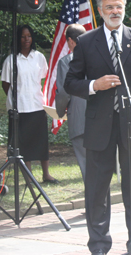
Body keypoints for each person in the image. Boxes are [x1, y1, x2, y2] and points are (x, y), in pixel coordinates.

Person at [64, 0, 131, 255]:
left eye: (119, 7)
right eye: (109, 7)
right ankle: (99, 246)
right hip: (99, 125)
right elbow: (70, 82)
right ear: (100, 11)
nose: (115, 12)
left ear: (124, 8)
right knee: (97, 189)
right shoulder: (86, 42)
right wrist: (94, 85)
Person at [1, 25, 58, 184]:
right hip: (19, 108)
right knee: (23, 144)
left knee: (41, 142)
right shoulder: (11, 60)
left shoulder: (39, 57)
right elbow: (6, 84)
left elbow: (43, 79)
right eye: (22, 36)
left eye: (29, 36)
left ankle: (46, 174)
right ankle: (29, 177)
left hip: (37, 105)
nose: (26, 40)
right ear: (17, 39)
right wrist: (18, 97)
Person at [55, 24, 87, 181]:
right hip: (101, 117)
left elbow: (64, 92)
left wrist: (59, 112)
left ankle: (94, 196)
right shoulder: (98, 58)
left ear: (70, 41)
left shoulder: (66, 62)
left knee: (85, 160)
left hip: (79, 117)